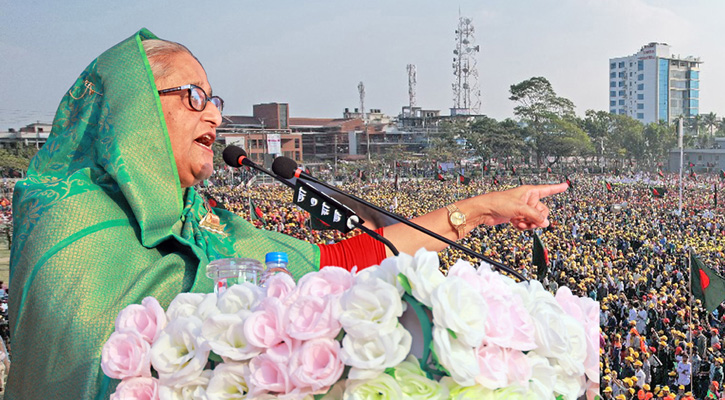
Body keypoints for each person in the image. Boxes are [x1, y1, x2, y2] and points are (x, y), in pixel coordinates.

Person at [7, 29, 567, 399]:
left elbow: (342, 261)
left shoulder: (208, 226)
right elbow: (79, 352)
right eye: (195, 98)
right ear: (134, 110)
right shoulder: (64, 214)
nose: (216, 117)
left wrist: (473, 211)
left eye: (217, 100)